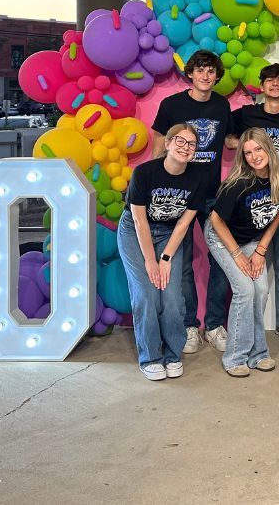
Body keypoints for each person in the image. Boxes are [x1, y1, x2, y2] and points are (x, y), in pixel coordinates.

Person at [151, 49, 234, 355]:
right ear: (190, 73)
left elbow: (229, 140)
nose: (205, 75)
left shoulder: (222, 105)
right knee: (181, 261)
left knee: (220, 259)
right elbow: (159, 146)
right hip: (178, 195)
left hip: (212, 194)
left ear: (216, 76)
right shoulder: (172, 105)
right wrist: (157, 184)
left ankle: (213, 325)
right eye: (200, 69)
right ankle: (189, 326)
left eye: (211, 71)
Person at [117, 124, 206, 381]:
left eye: (191, 144)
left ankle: (172, 354)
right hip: (135, 232)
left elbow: (183, 223)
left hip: (169, 234)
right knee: (146, 294)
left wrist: (165, 258)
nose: (184, 147)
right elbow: (139, 221)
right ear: (167, 143)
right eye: (179, 140)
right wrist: (150, 261)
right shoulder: (145, 172)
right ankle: (151, 357)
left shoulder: (197, 179)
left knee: (171, 297)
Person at [230, 63, 279, 345]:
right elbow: (224, 137)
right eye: (269, 80)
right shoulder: (246, 115)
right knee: (251, 265)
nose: (275, 84)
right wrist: (235, 144)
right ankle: (249, 324)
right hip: (252, 202)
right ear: (261, 87)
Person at [205, 128, 279, 376]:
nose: (254, 156)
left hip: (251, 239)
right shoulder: (238, 183)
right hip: (222, 238)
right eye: (248, 152)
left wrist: (261, 249)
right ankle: (235, 357)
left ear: (268, 149)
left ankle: (258, 353)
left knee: (261, 290)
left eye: (258, 149)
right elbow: (216, 220)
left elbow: (278, 211)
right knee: (245, 290)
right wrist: (237, 254)